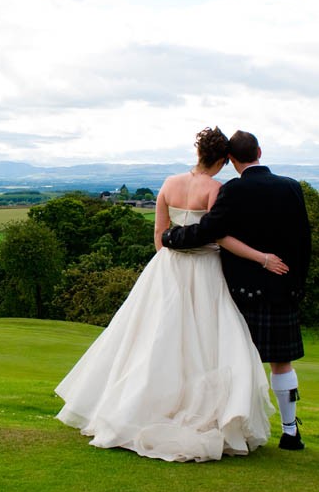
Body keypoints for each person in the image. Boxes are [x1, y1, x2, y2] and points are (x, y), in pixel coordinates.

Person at [55, 127, 288, 462]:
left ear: (198, 154)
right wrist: (262, 258)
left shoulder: (169, 183)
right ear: (223, 159)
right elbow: (219, 237)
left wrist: (167, 263)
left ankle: (135, 409)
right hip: (205, 270)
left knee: (153, 338)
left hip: (166, 267)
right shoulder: (216, 189)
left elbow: (159, 234)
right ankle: (198, 412)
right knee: (206, 342)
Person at [162, 130, 311, 450]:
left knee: (236, 359)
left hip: (243, 289)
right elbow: (303, 240)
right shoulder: (291, 187)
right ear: (260, 150)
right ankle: (290, 432)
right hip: (283, 287)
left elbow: (210, 231)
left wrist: (171, 239)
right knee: (282, 362)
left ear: (231, 160)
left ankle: (232, 423)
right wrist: (297, 284)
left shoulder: (232, 190)